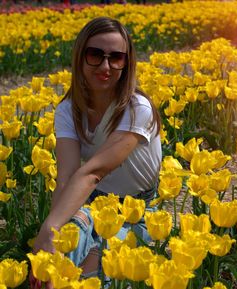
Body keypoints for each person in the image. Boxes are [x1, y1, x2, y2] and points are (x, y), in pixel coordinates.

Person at [30, 16, 162, 287]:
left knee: (98, 265)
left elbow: (93, 172)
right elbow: (66, 177)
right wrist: (52, 238)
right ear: (80, 57)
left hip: (137, 210)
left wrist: (47, 230)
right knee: (68, 238)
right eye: (95, 55)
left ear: (127, 63)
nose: (106, 66)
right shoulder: (68, 110)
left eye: (116, 57)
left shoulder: (137, 109)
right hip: (93, 203)